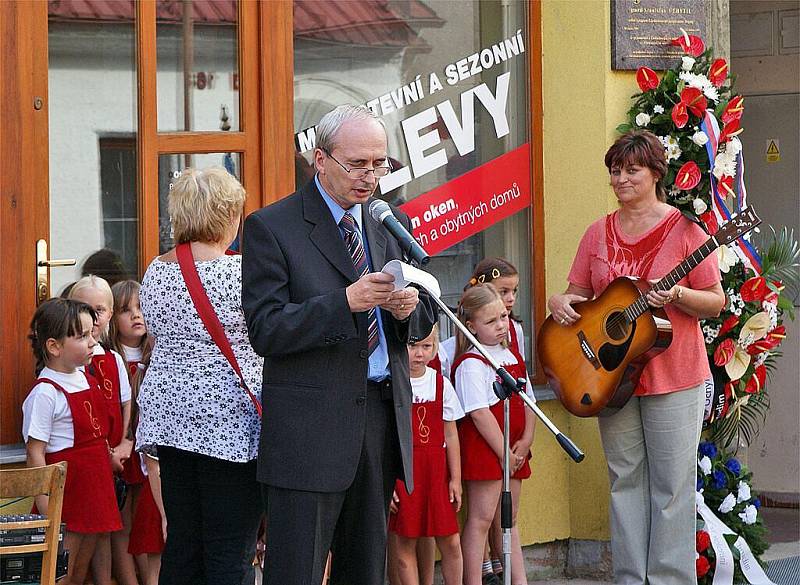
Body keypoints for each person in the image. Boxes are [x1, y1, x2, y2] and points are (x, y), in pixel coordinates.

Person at [242, 104, 436, 585]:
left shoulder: (387, 222)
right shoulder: (273, 226)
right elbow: (265, 329)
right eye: (358, 164)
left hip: (377, 417)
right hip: (310, 430)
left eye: (380, 164)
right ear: (320, 159)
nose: (370, 176)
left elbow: (426, 312)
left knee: (366, 569)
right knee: (298, 571)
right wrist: (343, 302)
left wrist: (408, 311)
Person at [547, 130, 725, 584]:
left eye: (631, 170)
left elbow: (715, 301)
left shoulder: (687, 231)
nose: (620, 178)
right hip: (611, 377)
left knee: (671, 489)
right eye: (615, 170)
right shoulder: (596, 233)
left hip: (675, 375)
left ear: (655, 174)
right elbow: (579, 295)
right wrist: (561, 303)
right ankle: (629, 578)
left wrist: (680, 293)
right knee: (625, 481)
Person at [136, 167, 263, 585]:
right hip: (228, 422)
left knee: (184, 543)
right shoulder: (239, 273)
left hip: (171, 420)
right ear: (227, 215)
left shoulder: (156, 270)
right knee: (230, 549)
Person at [22, 298, 122, 585]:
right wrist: (48, 509)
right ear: (54, 346)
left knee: (80, 571)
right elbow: (35, 454)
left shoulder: (84, 377)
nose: (92, 342)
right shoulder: (45, 392)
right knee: (61, 573)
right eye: (82, 336)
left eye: (92, 333)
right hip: (68, 495)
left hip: (94, 487)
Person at [452, 284, 535, 585]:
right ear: (471, 325)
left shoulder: (510, 355)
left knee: (509, 521)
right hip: (488, 450)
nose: (501, 325)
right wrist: (504, 454)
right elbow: (479, 412)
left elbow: (529, 402)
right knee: (481, 519)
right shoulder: (472, 363)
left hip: (513, 448)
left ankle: (518, 581)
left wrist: (525, 441)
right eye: (491, 321)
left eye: (503, 316)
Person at [388, 325, 464, 585]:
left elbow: (451, 435)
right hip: (404, 473)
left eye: (426, 346)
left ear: (435, 348)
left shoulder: (440, 383)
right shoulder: (391, 382)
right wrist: (388, 484)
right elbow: (384, 438)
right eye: (412, 345)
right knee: (404, 542)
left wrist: (455, 479)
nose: (419, 353)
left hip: (436, 475)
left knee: (451, 540)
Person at [69, 275, 133, 585]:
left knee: (107, 528)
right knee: (80, 535)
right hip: (83, 462)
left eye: (100, 310)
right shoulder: (69, 362)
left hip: (112, 459)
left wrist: (123, 443)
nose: (93, 319)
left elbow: (125, 405)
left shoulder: (113, 360)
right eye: (85, 309)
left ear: (109, 314)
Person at [109, 279, 151, 584]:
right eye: (126, 310)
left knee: (145, 519)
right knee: (123, 519)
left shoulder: (157, 354)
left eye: (141, 307)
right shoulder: (112, 359)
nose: (136, 315)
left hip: (147, 448)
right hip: (121, 450)